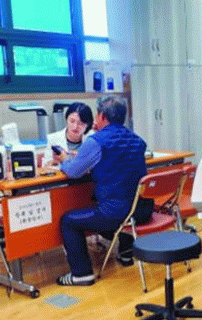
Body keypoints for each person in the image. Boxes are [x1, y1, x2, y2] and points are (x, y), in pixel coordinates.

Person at [55, 95, 152, 286]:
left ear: (102, 116)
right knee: (122, 198)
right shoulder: (137, 140)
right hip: (141, 210)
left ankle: (81, 274)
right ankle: (126, 253)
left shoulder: (96, 141)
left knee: (68, 221)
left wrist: (64, 159)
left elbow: (73, 171)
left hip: (115, 213)